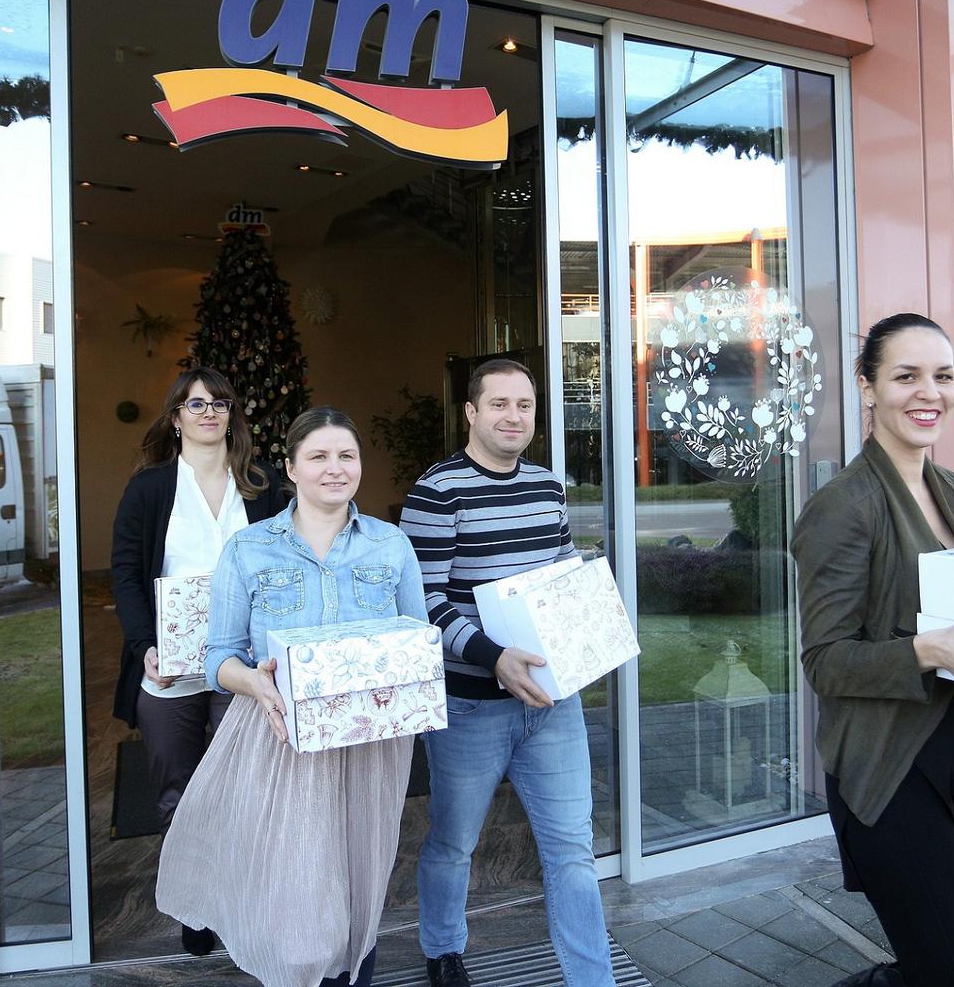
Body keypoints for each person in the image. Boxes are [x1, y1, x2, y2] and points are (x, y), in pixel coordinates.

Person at [791, 314, 954, 987]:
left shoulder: (950, 488)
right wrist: (931, 650)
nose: (928, 392)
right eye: (906, 376)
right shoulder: (843, 506)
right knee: (952, 974)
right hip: (892, 769)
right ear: (868, 387)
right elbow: (825, 662)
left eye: (942, 376)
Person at [156, 406, 427, 987]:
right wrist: (254, 681)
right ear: (292, 468)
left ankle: (355, 973)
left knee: (361, 878)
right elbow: (218, 657)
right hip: (281, 740)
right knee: (299, 885)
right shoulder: (248, 549)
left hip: (371, 742)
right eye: (319, 456)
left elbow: (418, 643)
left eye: (347, 456)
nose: (335, 468)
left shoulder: (392, 545)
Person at [399, 358, 615, 987]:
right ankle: (443, 949)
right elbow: (421, 603)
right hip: (470, 707)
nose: (513, 416)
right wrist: (493, 656)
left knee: (572, 848)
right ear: (470, 412)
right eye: (499, 404)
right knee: (454, 842)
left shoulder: (548, 485)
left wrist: (585, 627)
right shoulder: (437, 491)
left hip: (550, 702)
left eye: (525, 405)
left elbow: (561, 571)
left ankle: (593, 979)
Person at [109, 367, 286, 956]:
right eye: (196, 404)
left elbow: (284, 565)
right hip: (169, 667)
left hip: (244, 665)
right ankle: (194, 904)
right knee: (177, 792)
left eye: (220, 404)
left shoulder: (261, 485)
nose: (209, 412)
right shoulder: (150, 488)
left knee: (243, 787)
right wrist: (144, 646)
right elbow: (125, 574)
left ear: (232, 415)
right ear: (176, 417)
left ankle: (240, 903)